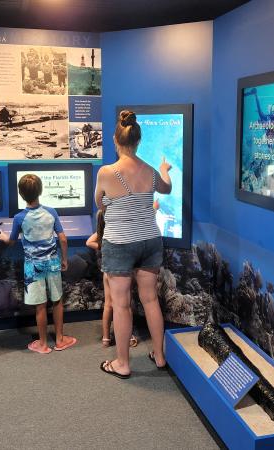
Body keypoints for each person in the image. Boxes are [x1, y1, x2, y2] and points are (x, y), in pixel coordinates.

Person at [95, 110, 172, 379]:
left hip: (119, 243)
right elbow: (167, 189)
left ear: (116, 141)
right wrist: (164, 170)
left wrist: (109, 203)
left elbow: (99, 204)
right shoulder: (150, 171)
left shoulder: (106, 172)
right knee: (150, 300)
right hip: (150, 240)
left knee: (121, 304)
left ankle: (123, 363)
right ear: (138, 142)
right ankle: (160, 357)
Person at [0, 174, 77, 354]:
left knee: (40, 305)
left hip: (33, 266)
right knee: (57, 301)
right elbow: (63, 239)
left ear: (20, 193)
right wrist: (64, 259)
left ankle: (42, 343)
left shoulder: (19, 218)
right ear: (41, 191)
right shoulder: (51, 212)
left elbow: (11, 241)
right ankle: (59, 339)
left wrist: (2, 237)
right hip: (52, 262)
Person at [86, 210, 138, 348]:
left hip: (107, 271)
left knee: (108, 304)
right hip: (122, 271)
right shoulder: (120, 232)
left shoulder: (104, 234)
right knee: (125, 304)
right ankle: (128, 336)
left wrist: (102, 247)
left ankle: (106, 338)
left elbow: (88, 242)